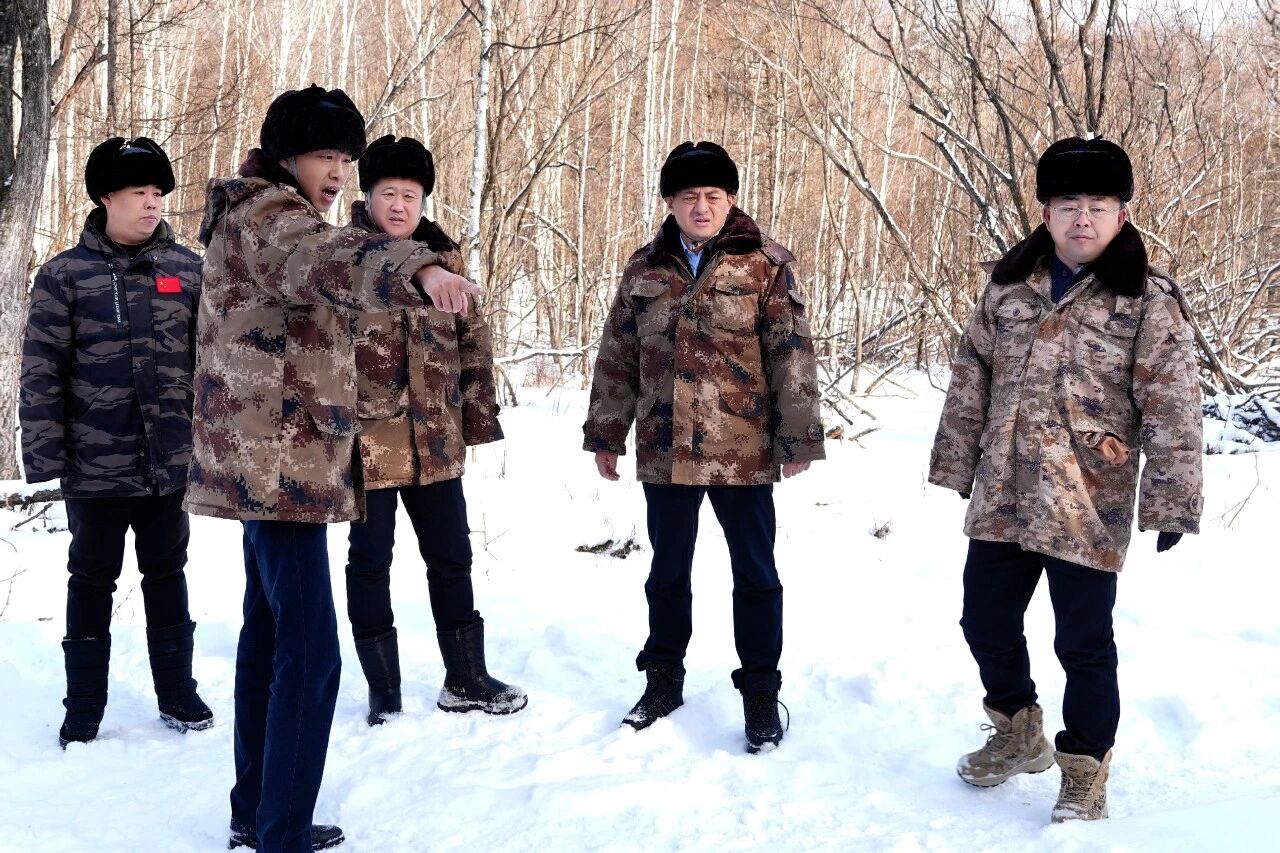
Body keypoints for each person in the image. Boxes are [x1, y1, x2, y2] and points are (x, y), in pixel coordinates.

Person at [187, 86, 482, 852]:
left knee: (269, 637)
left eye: (346, 159)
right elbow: (331, 257)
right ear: (288, 156)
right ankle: (280, 832)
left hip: (274, 462)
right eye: (326, 156)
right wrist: (422, 270)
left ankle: (259, 813)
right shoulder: (271, 217)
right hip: (278, 470)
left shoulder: (260, 214)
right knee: (312, 653)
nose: (338, 174)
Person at [928, 137, 1203, 822]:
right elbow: (971, 377)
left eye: (1098, 205)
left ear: (1122, 213)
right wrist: (958, 462)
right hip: (1004, 491)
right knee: (983, 619)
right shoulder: (1009, 288)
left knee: (1082, 644)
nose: (1083, 217)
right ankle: (1018, 729)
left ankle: (1084, 768)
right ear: (1046, 212)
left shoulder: (1146, 298)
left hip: (1088, 500)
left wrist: (1171, 499)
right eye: (1068, 204)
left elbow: (1173, 404)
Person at [583, 141, 824, 753]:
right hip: (664, 447)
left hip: (742, 448)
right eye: (689, 196)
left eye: (713, 196)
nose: (701, 207)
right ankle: (663, 680)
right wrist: (606, 434)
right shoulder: (644, 268)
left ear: (730, 199)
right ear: (670, 202)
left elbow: (791, 354)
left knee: (756, 574)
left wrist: (798, 436)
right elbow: (618, 356)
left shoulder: (764, 264)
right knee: (667, 572)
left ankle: (761, 693)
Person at [20, 136, 212, 748]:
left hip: (170, 463)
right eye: (138, 193)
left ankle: (177, 692)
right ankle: (83, 707)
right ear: (106, 197)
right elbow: (42, 370)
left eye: (158, 193)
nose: (152, 204)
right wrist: (46, 456)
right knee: (90, 580)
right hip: (94, 464)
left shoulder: (186, 270)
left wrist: (212, 445)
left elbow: (212, 365)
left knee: (168, 575)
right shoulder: (64, 276)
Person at [344, 135, 524, 725]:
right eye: (388, 193)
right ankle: (384, 691)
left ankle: (466, 677)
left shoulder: (447, 259)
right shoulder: (343, 258)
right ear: (367, 196)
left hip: (435, 441)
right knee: (370, 563)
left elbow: (474, 344)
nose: (399, 206)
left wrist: (476, 418)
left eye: (411, 195)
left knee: (452, 558)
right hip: (366, 447)